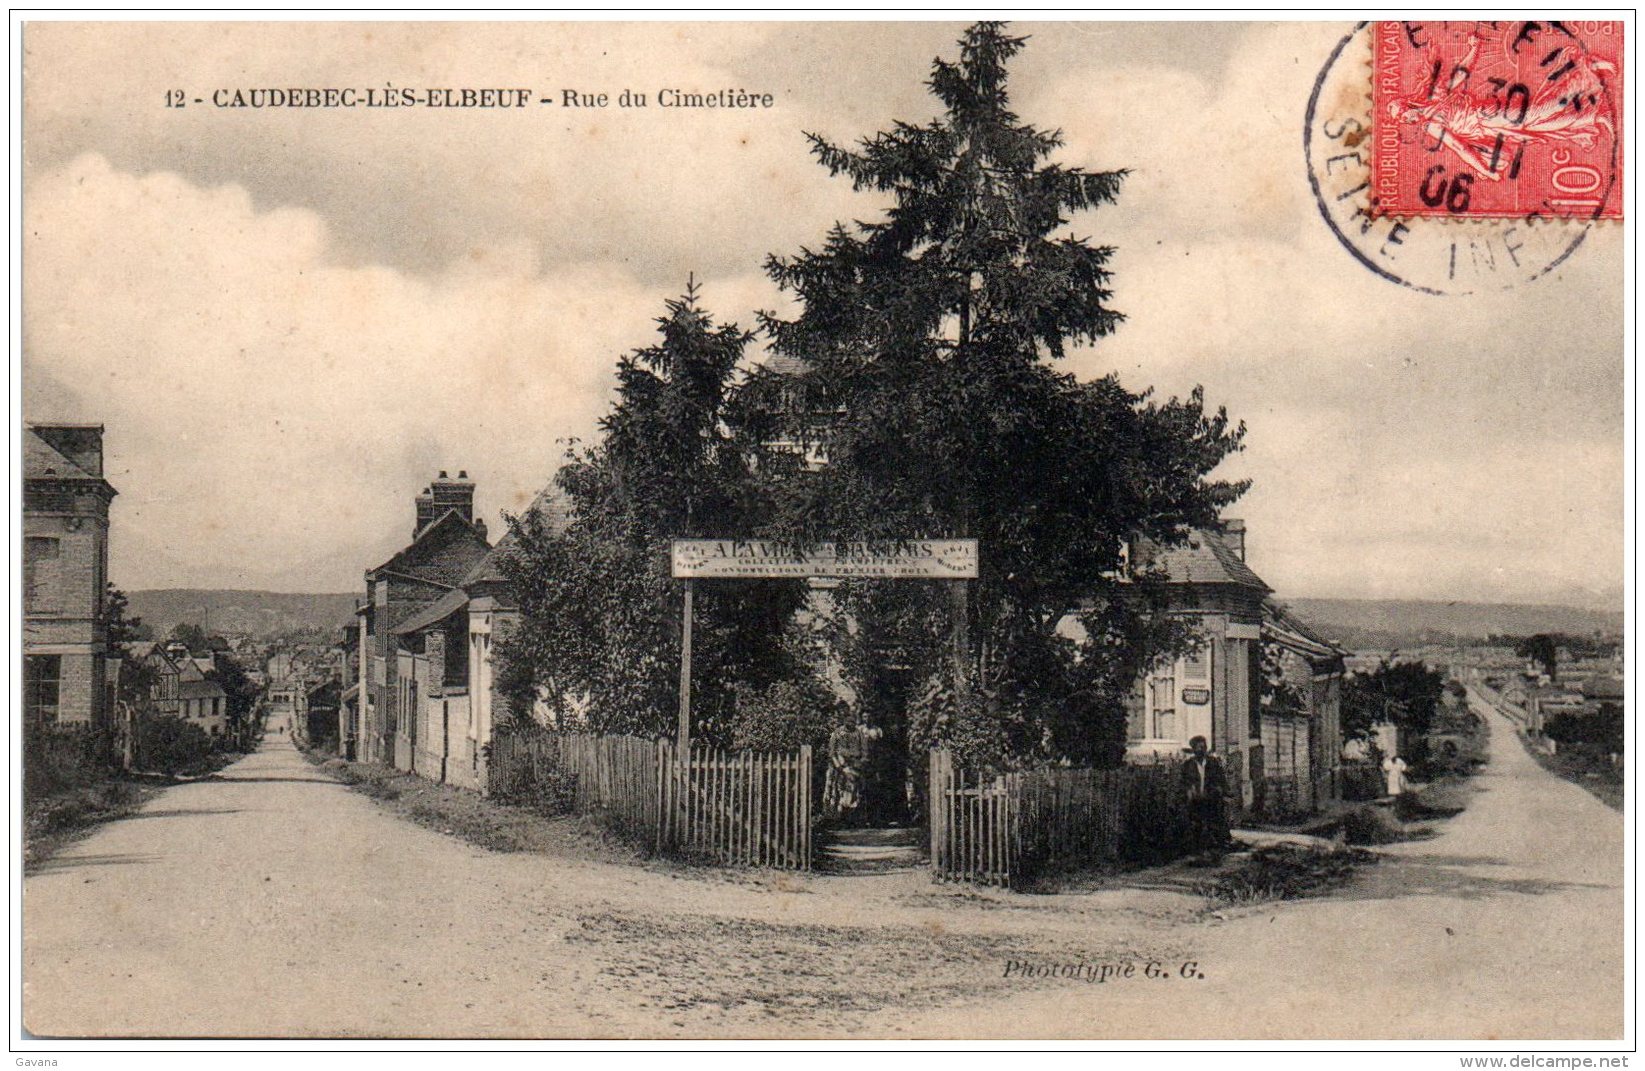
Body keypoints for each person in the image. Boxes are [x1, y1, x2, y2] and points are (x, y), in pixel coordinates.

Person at [1180, 735, 1231, 854]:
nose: (1201, 750)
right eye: (1198, 747)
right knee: (1196, 825)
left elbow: (1221, 779)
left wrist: (1222, 791)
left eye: (1203, 747)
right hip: (1196, 800)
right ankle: (1198, 850)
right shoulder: (1188, 765)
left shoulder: (1213, 762)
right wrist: (1188, 792)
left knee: (1213, 822)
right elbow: (1183, 782)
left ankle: (1215, 849)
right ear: (1193, 749)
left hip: (1211, 798)